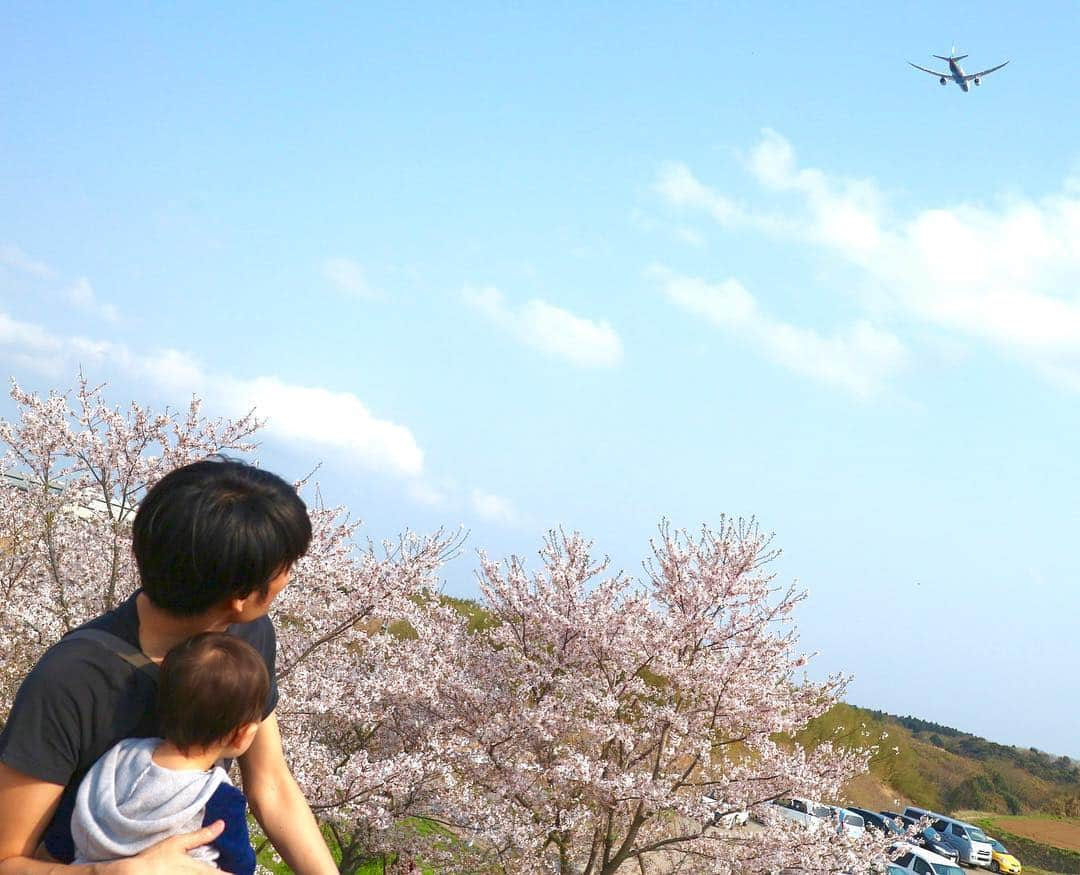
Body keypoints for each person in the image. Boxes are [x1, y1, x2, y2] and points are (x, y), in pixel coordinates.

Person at [0, 458, 338, 874]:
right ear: (240, 596)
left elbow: (271, 784)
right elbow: (7, 858)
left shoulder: (244, 639)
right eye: (285, 566)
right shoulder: (72, 679)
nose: (289, 577)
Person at [71, 633, 269, 874]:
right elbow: (241, 865)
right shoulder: (218, 798)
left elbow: (71, 826)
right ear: (243, 734)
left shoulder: (115, 760)